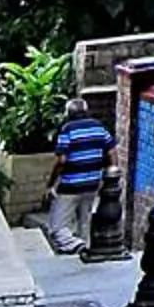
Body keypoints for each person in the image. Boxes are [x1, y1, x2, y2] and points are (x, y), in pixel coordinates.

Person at [42, 98, 113, 254]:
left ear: (68, 113)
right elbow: (109, 153)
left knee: (57, 227)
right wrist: (107, 176)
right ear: (86, 112)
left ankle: (75, 245)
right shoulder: (99, 127)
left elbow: (62, 160)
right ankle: (85, 250)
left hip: (70, 185)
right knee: (85, 222)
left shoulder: (67, 130)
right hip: (93, 183)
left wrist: (51, 184)